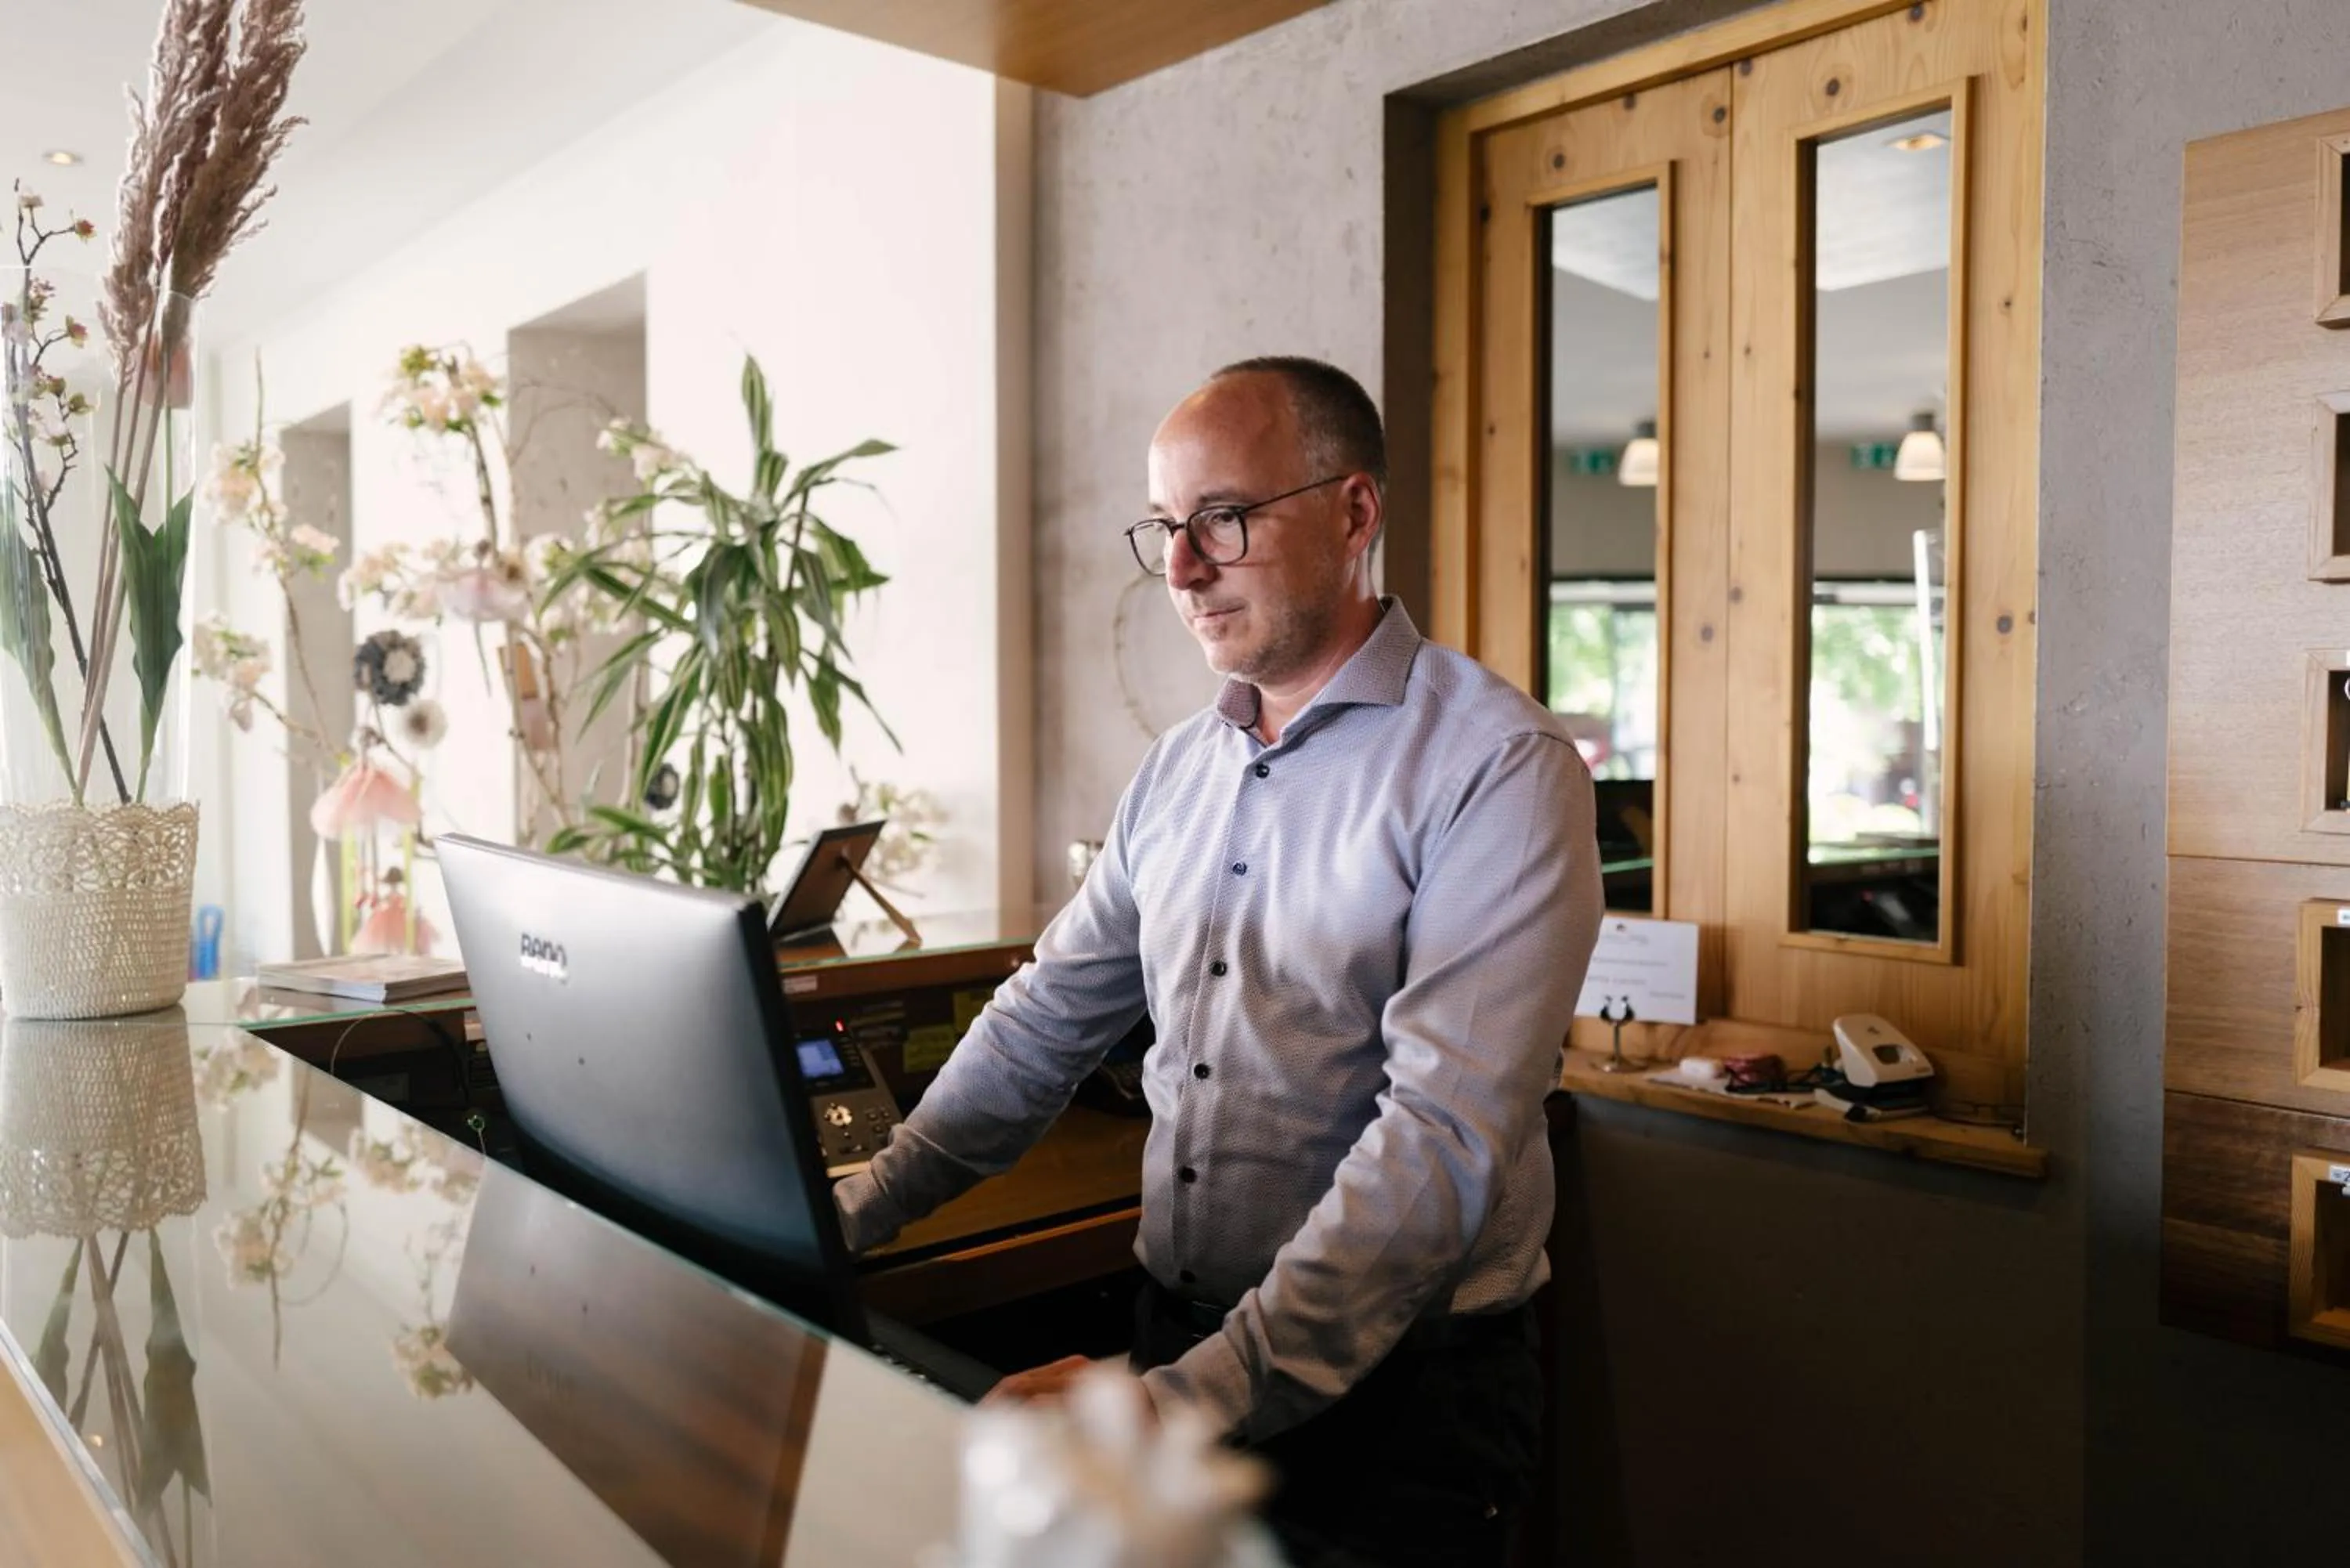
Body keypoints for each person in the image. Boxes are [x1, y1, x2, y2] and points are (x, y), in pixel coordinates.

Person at [833, 356, 1603, 1566]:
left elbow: (1442, 1135)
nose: (1183, 569)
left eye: (1224, 520)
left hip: (1404, 1399)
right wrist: (861, 1207)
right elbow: (1044, 1018)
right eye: (1166, 528)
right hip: (1177, 1335)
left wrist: (1187, 1396)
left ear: (1356, 513)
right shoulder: (1180, 768)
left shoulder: (1496, 768)